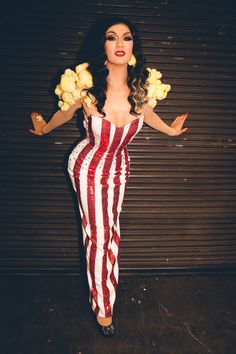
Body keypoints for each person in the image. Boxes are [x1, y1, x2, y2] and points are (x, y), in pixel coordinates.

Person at [29, 16, 188, 337]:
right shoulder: (85, 83)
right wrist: (45, 127)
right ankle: (104, 308)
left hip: (119, 168)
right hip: (87, 168)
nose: (119, 44)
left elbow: (148, 112)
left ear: (133, 47)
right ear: (101, 44)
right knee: (100, 238)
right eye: (111, 37)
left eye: (126, 38)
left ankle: (104, 285)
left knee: (111, 233)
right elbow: (66, 111)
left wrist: (170, 130)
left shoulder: (142, 86)